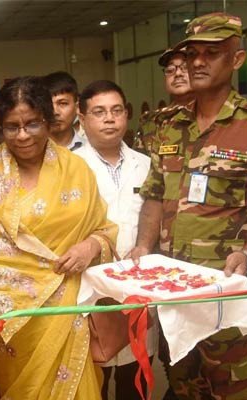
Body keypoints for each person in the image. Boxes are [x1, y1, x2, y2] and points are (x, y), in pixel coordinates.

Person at [129, 13, 247, 399]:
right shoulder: (167, 124)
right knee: (181, 384)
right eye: (192, 54)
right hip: (174, 288)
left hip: (227, 288)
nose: (199, 62)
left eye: (213, 53)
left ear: (236, 60)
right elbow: (155, 195)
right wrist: (143, 246)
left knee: (233, 389)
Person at [0, 76, 117, 399]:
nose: (23, 135)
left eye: (32, 124)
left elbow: (105, 230)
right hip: (13, 327)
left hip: (69, 317)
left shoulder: (76, 169)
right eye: (12, 127)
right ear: (0, 126)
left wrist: (90, 246)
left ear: (48, 120)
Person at [73, 80, 154, 400]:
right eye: (99, 112)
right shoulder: (68, 165)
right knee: (93, 380)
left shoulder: (145, 164)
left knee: (135, 377)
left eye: (116, 111)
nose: (109, 119)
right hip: (89, 287)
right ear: (82, 119)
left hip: (136, 286)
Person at [134, 48, 195, 156]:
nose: (178, 73)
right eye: (170, 70)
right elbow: (139, 168)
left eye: (185, 67)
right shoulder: (151, 122)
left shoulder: (214, 115)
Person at [42, 71, 85, 150]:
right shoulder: (32, 153)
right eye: (48, 104)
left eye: (63, 103)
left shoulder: (91, 149)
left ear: (77, 107)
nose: (55, 112)